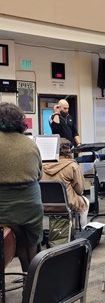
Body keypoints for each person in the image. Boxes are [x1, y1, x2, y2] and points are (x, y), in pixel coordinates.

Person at [0, 102, 43, 272]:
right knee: (29, 241)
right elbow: (39, 174)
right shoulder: (30, 144)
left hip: (2, 210)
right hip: (30, 208)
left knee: (13, 231)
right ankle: (31, 277)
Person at [42, 138, 89, 227]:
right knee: (85, 202)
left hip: (45, 205)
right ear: (69, 150)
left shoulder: (41, 166)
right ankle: (83, 232)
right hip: (67, 204)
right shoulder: (72, 166)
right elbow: (79, 190)